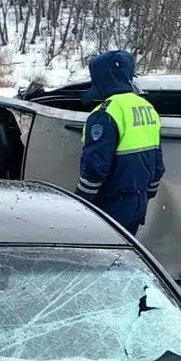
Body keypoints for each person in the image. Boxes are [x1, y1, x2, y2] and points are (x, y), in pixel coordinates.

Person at [75, 50, 165, 236]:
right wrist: (145, 195)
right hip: (138, 202)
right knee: (125, 249)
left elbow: (95, 169)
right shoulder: (147, 108)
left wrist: (80, 203)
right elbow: (158, 164)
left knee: (101, 250)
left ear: (102, 77)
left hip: (111, 204)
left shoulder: (105, 114)